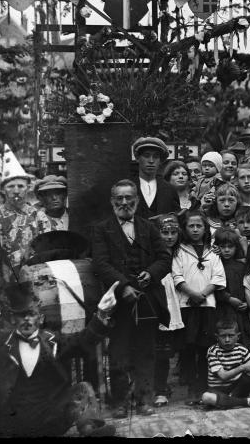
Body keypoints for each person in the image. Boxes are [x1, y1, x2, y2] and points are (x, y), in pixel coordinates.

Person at [91, 179, 172, 418]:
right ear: (112, 201)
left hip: (147, 299)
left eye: (129, 198)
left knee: (146, 350)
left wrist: (151, 273)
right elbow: (100, 264)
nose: (124, 202)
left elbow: (164, 258)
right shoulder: (101, 229)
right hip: (119, 302)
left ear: (136, 200)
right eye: (120, 198)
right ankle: (119, 403)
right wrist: (123, 286)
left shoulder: (148, 227)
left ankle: (143, 400)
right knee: (118, 351)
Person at [0, 281, 118, 437]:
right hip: (13, 424)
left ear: (40, 318)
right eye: (22, 315)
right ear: (13, 319)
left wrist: (101, 313)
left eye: (31, 314)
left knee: (82, 388)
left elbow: (83, 340)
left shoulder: (54, 342)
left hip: (49, 420)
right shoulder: (2, 345)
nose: (27, 319)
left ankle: (90, 431)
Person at [172, 209, 226, 403]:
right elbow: (177, 276)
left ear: (205, 228)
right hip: (186, 305)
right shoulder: (179, 251)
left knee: (206, 348)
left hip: (207, 305)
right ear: (185, 228)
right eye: (191, 226)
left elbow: (218, 277)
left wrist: (202, 294)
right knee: (188, 347)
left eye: (199, 226)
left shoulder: (213, 252)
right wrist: (192, 294)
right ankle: (191, 388)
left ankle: (204, 386)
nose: (195, 229)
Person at [152, 213, 185, 409]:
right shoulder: (152, 252)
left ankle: (165, 385)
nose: (170, 237)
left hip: (179, 300)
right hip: (160, 299)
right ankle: (159, 389)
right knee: (158, 347)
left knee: (169, 348)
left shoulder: (181, 252)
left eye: (173, 232)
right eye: (165, 233)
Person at [199, 318, 250, 409]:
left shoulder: (242, 350)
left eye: (231, 335)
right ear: (217, 337)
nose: (227, 340)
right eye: (223, 336)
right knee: (206, 397)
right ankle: (246, 402)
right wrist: (242, 367)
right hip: (218, 390)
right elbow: (223, 376)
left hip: (236, 389)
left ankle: (228, 402)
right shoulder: (213, 351)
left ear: (238, 336)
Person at [0, 147, 39, 285]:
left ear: (28, 188)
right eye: (11, 186)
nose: (16, 191)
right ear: (2, 190)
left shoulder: (38, 215)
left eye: (21, 186)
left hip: (34, 278)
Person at [213, 228, 250, 351]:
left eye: (230, 247)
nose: (226, 250)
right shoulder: (216, 264)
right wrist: (229, 299)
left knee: (241, 337)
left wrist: (247, 303)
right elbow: (214, 288)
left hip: (240, 309)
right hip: (223, 309)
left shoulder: (241, 266)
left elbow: (248, 286)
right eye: (223, 247)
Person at [132, 137, 180, 219]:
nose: (151, 160)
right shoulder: (127, 187)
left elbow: (177, 219)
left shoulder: (170, 190)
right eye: (146, 155)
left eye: (156, 156)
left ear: (160, 161)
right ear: (137, 158)